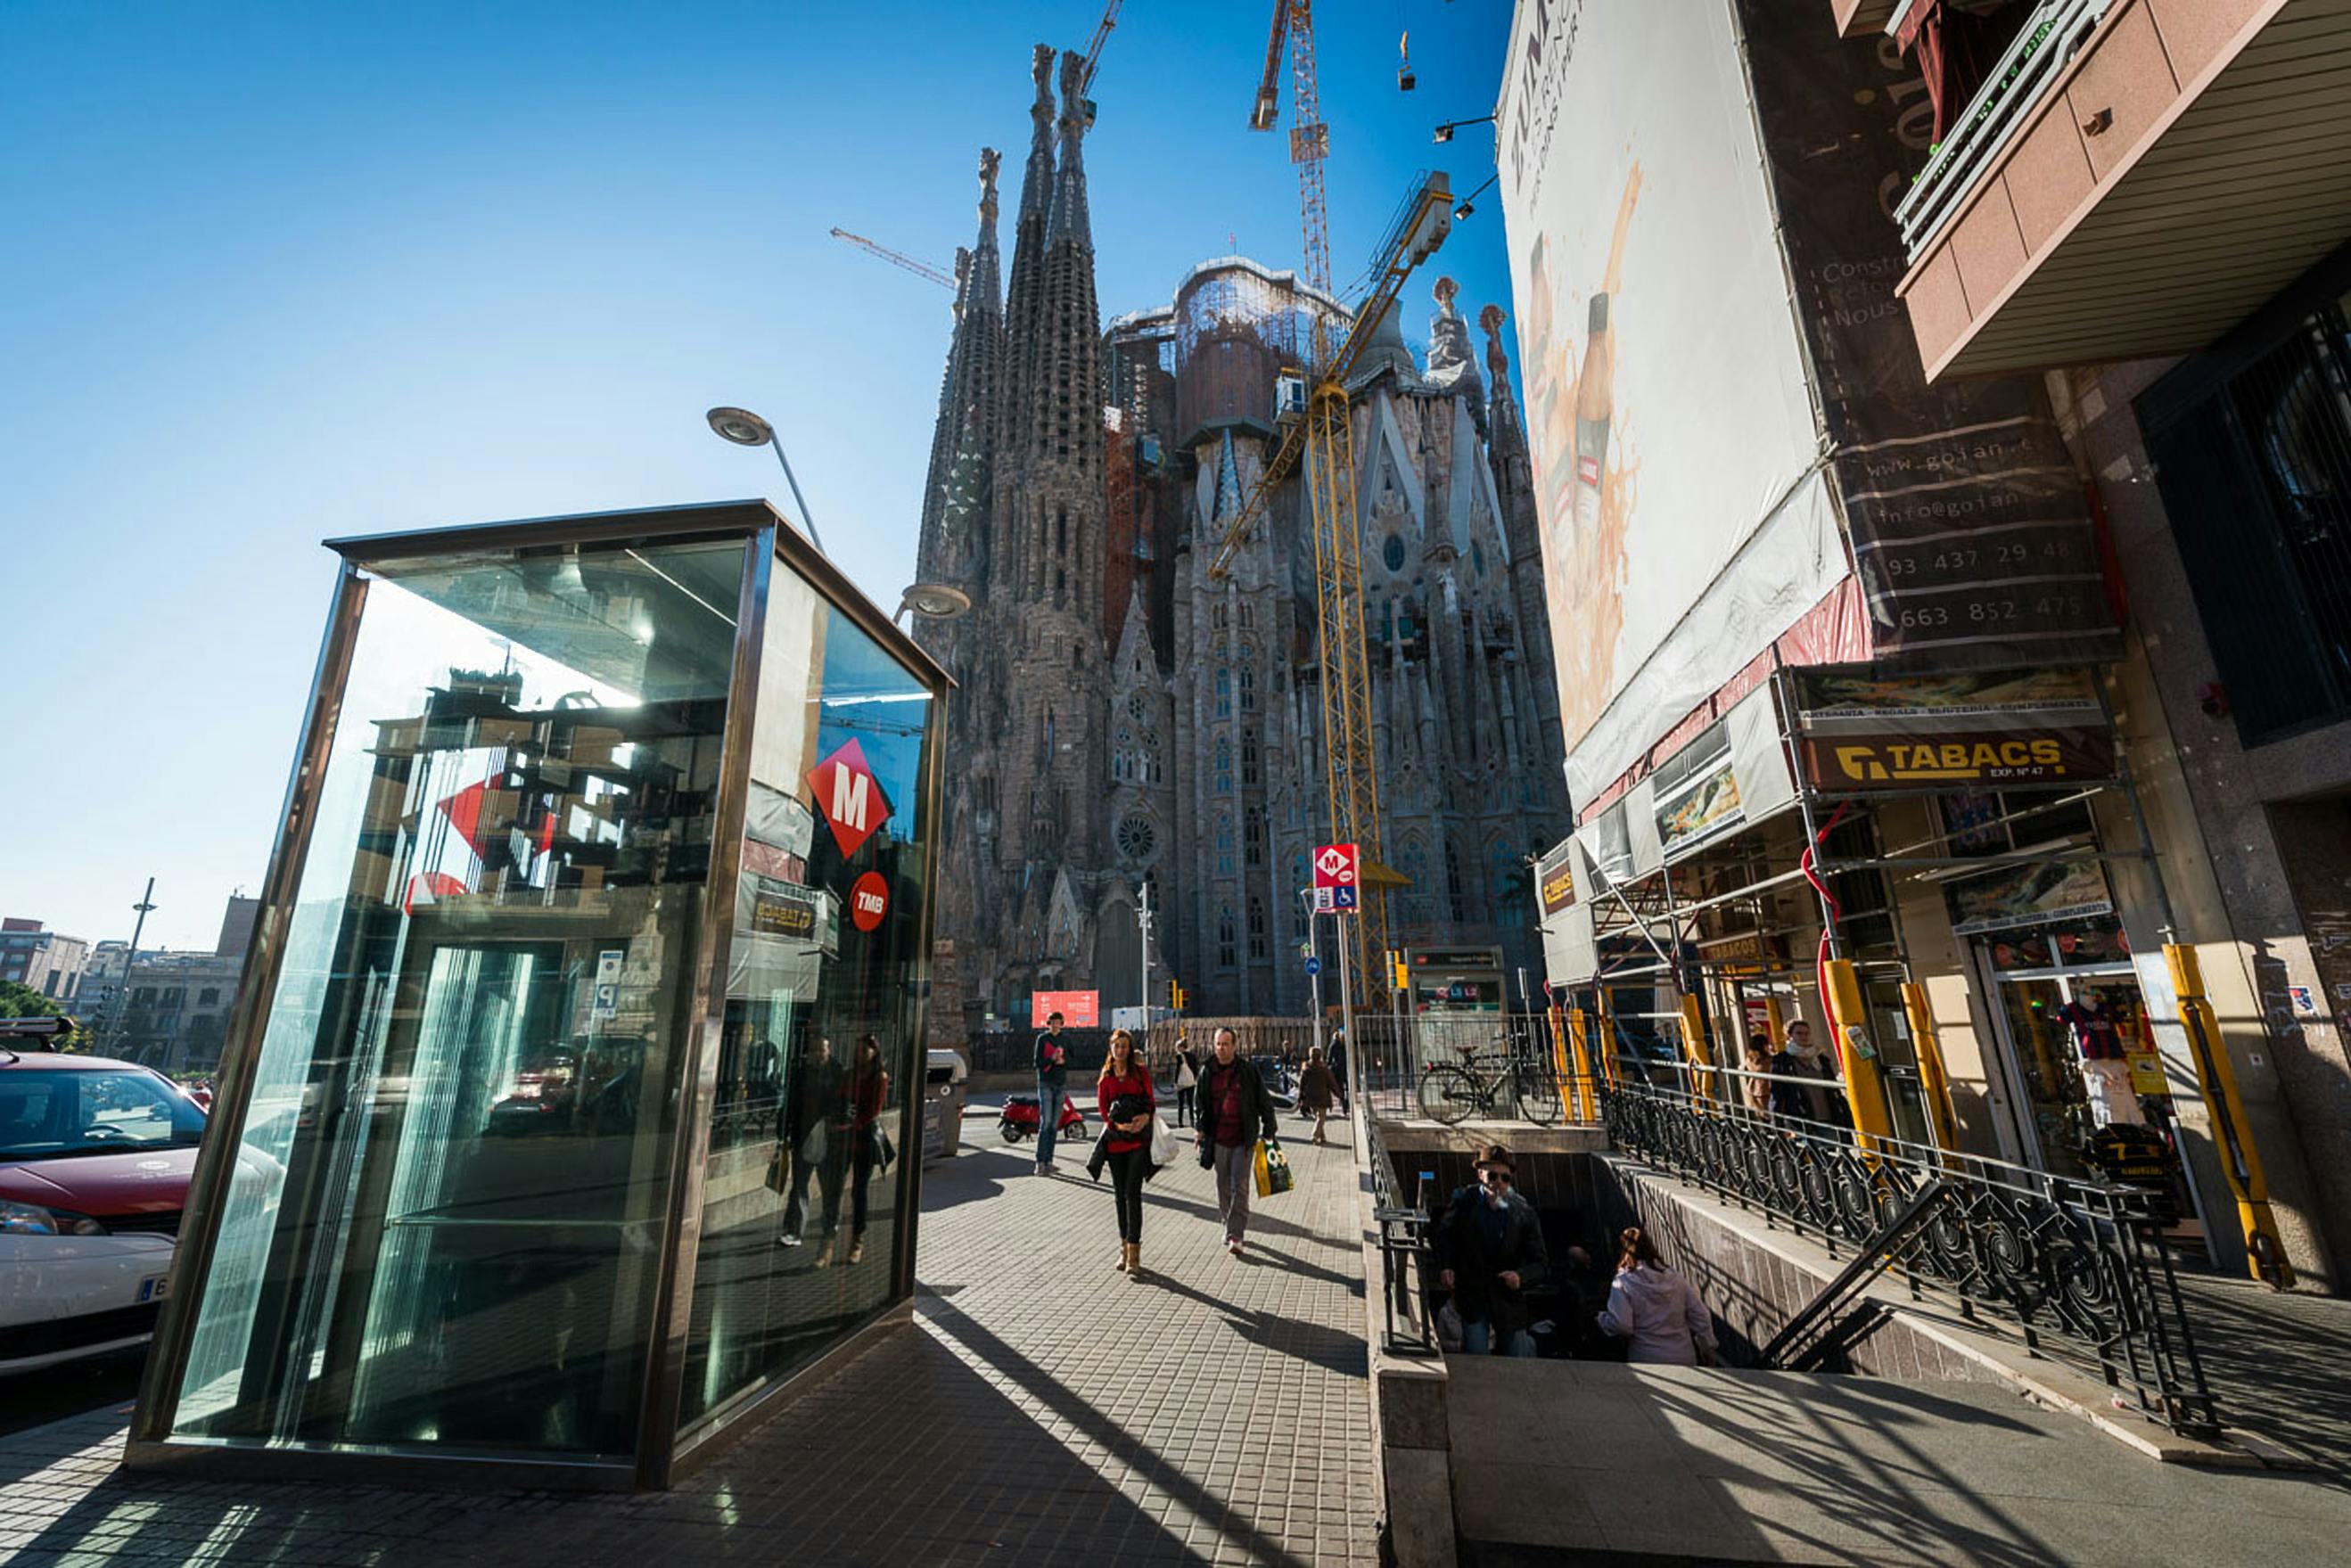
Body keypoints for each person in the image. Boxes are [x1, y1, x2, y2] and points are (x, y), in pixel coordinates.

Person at [1434, 1143, 1550, 1357]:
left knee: (1516, 1357)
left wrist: (1520, 1277)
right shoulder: (1464, 1201)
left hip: (1508, 1300)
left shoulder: (1522, 1211)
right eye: (1492, 1176)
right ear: (1480, 1174)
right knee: (1477, 1357)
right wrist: (1446, 1266)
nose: (1498, 1183)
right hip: (1473, 1295)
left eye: (1505, 1178)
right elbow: (1444, 1236)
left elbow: (1541, 1263)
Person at [1196, 1025, 1278, 1257]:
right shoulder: (1207, 1071)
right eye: (1218, 1044)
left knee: (1239, 1185)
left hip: (1243, 1138)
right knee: (1223, 1185)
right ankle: (1227, 1222)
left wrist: (1269, 1126)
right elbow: (1199, 1103)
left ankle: (1236, 1234)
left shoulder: (1247, 1071)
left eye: (1226, 1044)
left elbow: (1263, 1099)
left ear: (1235, 1046)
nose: (1221, 1048)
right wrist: (1200, 1129)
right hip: (1218, 1139)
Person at [1597, 1226, 1719, 1366]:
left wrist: (1602, 1319)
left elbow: (1622, 1324)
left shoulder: (1624, 1281)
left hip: (1646, 1356)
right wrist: (1707, 1348)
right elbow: (1701, 1315)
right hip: (1683, 1354)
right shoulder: (1675, 1277)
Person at [818, 1034, 890, 1268]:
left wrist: (852, 1123)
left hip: (863, 1139)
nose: (861, 1054)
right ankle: (827, 1242)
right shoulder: (849, 1075)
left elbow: (874, 1110)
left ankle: (857, 1241)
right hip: (842, 1138)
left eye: (865, 1050)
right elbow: (838, 1098)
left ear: (874, 1052)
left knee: (859, 1191)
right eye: (858, 1050)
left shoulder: (879, 1077)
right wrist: (837, 1118)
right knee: (834, 1190)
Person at [1093, 1029, 1157, 1279]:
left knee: (1133, 1193)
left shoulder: (1139, 1073)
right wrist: (1117, 1126)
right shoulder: (1106, 1078)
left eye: (1124, 1046)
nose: (1120, 1050)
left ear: (1130, 1049)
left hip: (1138, 1143)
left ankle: (1134, 1253)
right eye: (1116, 1046)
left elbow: (1151, 1102)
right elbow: (1102, 1111)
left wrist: (1143, 1118)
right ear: (1111, 1049)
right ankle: (1123, 1247)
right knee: (1119, 1196)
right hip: (1116, 1144)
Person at [776, 1035, 842, 1249]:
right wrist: (783, 1129)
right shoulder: (801, 1071)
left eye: (821, 1050)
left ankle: (830, 1225)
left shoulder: (837, 1072)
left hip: (828, 1138)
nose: (817, 1054)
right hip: (802, 1136)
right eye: (814, 1050)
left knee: (828, 1186)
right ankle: (794, 1231)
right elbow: (791, 1100)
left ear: (829, 1050)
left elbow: (843, 1103)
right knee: (799, 1186)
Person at [1783, 1019, 1850, 1129]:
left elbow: (1832, 1085)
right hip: (1803, 1117)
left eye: (1806, 1033)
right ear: (1789, 1036)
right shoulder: (1783, 1060)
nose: (1803, 1037)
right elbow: (1779, 1092)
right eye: (1799, 1033)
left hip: (1829, 1115)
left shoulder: (1820, 1058)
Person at [1033, 1010, 1070, 1175]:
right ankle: (1040, 1162)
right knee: (1046, 1123)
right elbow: (1037, 1062)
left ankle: (1049, 1161)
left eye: (1058, 1022)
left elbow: (1074, 1058)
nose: (1055, 1025)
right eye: (1053, 1022)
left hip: (1061, 1084)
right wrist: (1051, 1059)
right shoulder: (1043, 1039)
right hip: (1046, 1083)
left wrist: (1064, 1060)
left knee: (1054, 1125)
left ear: (1062, 1023)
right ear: (1049, 1024)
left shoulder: (1066, 1039)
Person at [1297, 1045, 1341, 1145]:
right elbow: (1332, 1083)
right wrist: (1338, 1094)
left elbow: (1302, 1084)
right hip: (1322, 1096)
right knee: (1321, 1117)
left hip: (1310, 1097)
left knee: (1318, 1117)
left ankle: (1322, 1138)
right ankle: (1314, 1135)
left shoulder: (1306, 1068)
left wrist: (1301, 1096)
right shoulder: (1324, 1069)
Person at [1740, 1033, 1773, 1117]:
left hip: (1753, 1089)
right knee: (1770, 1116)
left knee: (1761, 1116)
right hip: (1765, 1090)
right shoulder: (1766, 1060)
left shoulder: (1750, 1058)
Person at [1172, 1037, 1200, 1129]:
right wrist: (1194, 1078)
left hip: (1181, 1082)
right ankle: (1192, 1121)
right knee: (1190, 1103)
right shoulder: (1192, 1056)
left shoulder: (1179, 1056)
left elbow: (1177, 1070)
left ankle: (1180, 1122)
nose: (1176, 1049)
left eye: (1177, 1047)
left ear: (1181, 1047)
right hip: (1191, 1081)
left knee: (1180, 1103)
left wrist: (1175, 1081)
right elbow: (1196, 1068)